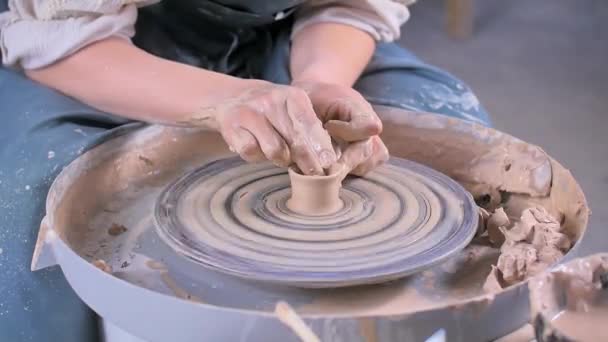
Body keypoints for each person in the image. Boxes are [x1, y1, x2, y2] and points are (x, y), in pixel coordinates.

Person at [0, 0, 491, 341]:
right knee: (39, 199)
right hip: (98, 55)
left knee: (454, 138)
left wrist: (318, 82)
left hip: (279, 40)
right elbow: (61, 40)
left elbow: (349, 8)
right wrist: (223, 100)